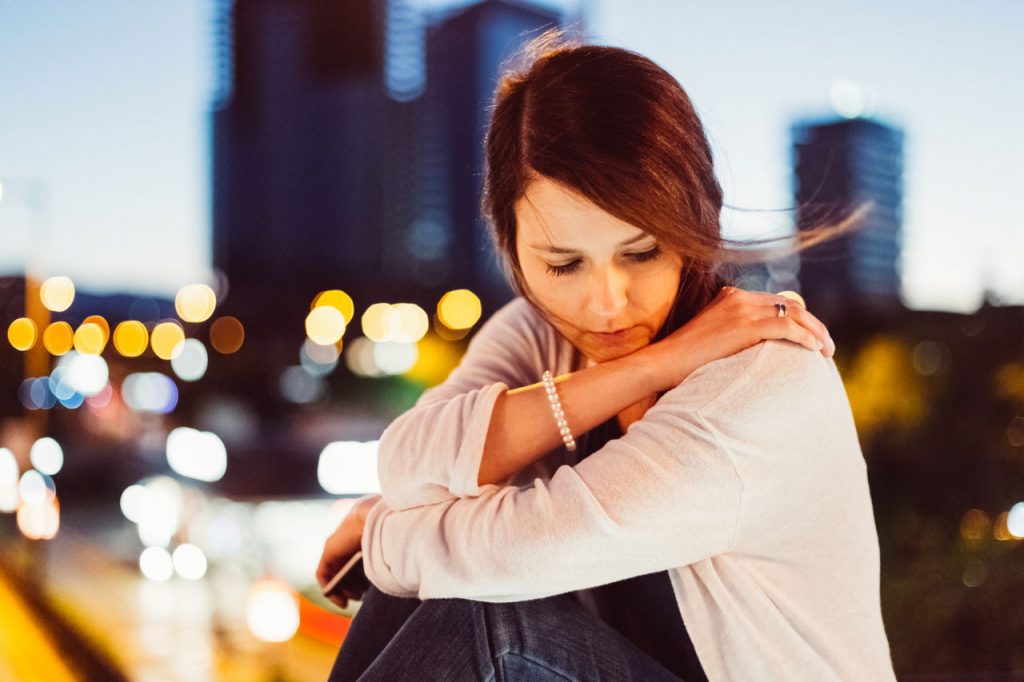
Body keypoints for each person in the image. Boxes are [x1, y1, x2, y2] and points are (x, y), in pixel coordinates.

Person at [317, 28, 896, 681]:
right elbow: (405, 463)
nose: (605, 305)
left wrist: (379, 535)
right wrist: (649, 367)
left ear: (697, 223)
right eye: (564, 264)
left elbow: (518, 552)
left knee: (487, 619)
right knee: (450, 583)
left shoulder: (763, 381)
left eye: (641, 253)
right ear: (510, 246)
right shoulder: (541, 336)